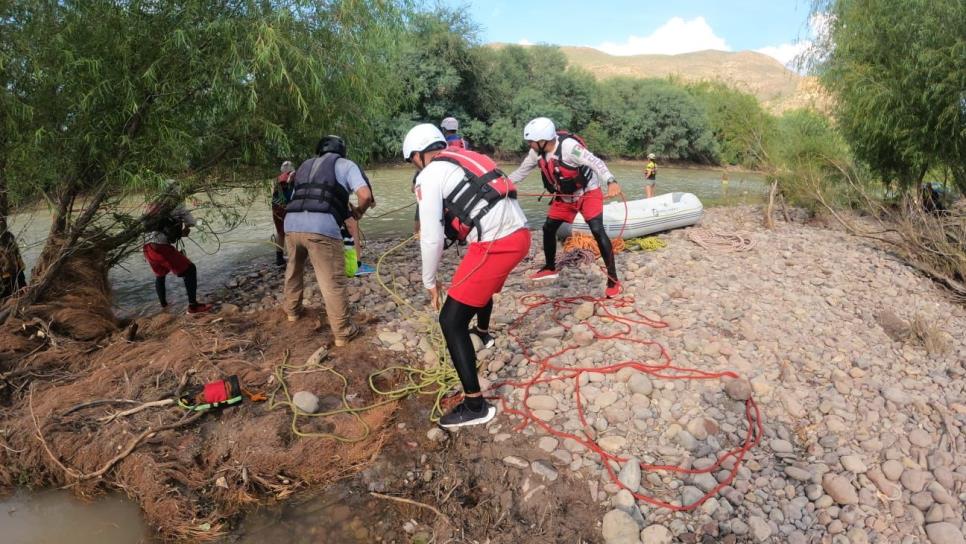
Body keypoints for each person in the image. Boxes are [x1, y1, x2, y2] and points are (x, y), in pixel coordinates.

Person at [403, 123, 530, 428]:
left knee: (450, 320)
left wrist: (429, 282)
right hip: (520, 234)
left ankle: (475, 406)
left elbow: (431, 236)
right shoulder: (465, 156)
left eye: (412, 161)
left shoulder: (429, 174)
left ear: (419, 155)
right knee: (478, 290)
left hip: (496, 243)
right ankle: (483, 335)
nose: (414, 167)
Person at [507, 117, 624, 298]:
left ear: (542, 140)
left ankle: (613, 279)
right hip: (564, 197)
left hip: (587, 193)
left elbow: (596, 162)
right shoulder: (535, 153)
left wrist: (611, 181)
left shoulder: (570, 148)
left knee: (597, 230)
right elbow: (521, 172)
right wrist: (503, 184)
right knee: (548, 228)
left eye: (531, 142)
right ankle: (549, 267)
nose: (529, 145)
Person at [283, 135, 373, 346]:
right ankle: (343, 332)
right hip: (321, 228)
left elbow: (298, 195)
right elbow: (365, 195)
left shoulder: (304, 165)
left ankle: (292, 312)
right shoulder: (346, 165)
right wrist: (359, 211)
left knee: (293, 269)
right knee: (332, 280)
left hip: (291, 224)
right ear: (342, 150)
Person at [142, 185, 212, 314]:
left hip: (147, 247)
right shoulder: (178, 205)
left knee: (160, 275)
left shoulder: (151, 205)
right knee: (190, 270)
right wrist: (188, 228)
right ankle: (193, 307)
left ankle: (164, 307)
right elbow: (192, 222)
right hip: (161, 248)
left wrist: (179, 232)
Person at [272, 161, 296, 266]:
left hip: (276, 208)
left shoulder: (277, 180)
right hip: (287, 207)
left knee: (280, 232)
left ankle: (279, 258)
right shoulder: (293, 176)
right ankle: (294, 256)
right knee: (292, 231)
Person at [0, 230, 26, 301]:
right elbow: (23, 267)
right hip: (14, 278)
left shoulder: (12, 253)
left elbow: (22, 267)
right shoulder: (15, 252)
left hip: (10, 279)